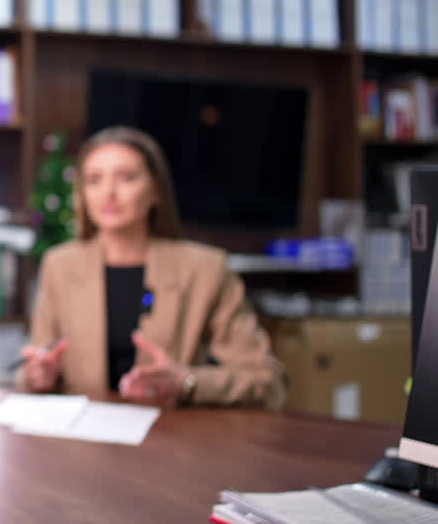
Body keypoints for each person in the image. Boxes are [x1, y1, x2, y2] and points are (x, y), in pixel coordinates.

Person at [17, 126, 286, 409]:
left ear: (156, 189)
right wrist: (39, 375)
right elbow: (37, 361)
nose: (108, 192)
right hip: (81, 440)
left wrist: (186, 382)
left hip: (172, 438)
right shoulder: (59, 265)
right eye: (94, 180)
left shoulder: (206, 269)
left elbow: (268, 381)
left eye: (126, 177)